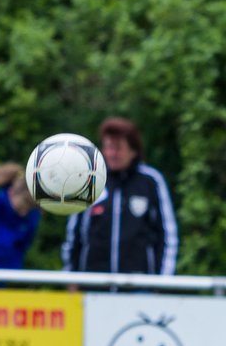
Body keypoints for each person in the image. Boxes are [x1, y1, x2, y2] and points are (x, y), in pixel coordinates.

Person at [62, 117, 178, 276]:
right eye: (108, 147)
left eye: (118, 148)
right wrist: (71, 275)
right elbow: (74, 234)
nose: (112, 154)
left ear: (133, 150)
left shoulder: (151, 181)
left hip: (139, 286)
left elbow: (168, 234)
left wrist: (163, 280)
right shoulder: (90, 180)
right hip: (93, 284)